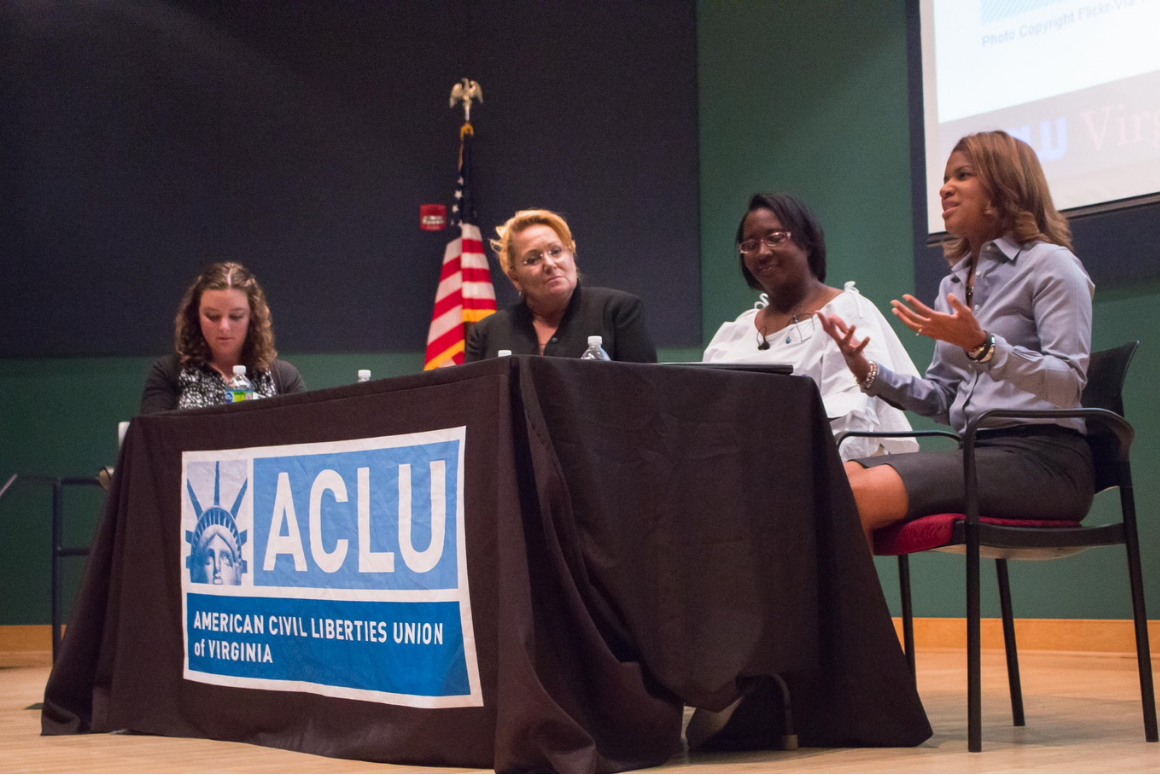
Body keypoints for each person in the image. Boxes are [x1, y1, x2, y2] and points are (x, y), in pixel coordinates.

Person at [818, 130, 1095, 546]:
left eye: (963, 175)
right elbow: (945, 399)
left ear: (1003, 188)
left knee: (855, 495)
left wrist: (985, 348)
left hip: (1046, 461)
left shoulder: (1051, 266)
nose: (945, 188)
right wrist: (869, 373)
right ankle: (837, 615)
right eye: (946, 177)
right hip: (975, 453)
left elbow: (1069, 382)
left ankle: (845, 616)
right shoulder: (954, 282)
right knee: (838, 480)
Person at [703, 193, 920, 461]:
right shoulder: (735, 333)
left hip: (827, 473)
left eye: (775, 238)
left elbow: (853, 430)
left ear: (807, 242)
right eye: (749, 244)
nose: (762, 252)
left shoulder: (847, 312)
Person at [464, 209, 657, 362]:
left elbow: (645, 394)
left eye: (556, 251)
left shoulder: (617, 311)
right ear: (514, 277)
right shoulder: (487, 333)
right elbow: (474, 404)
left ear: (571, 255)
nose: (549, 263)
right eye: (532, 260)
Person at [140, 262, 305, 414]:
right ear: (195, 316)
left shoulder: (283, 377)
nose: (224, 327)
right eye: (212, 316)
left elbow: (307, 439)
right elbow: (152, 439)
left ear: (252, 318)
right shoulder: (168, 373)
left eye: (236, 316)